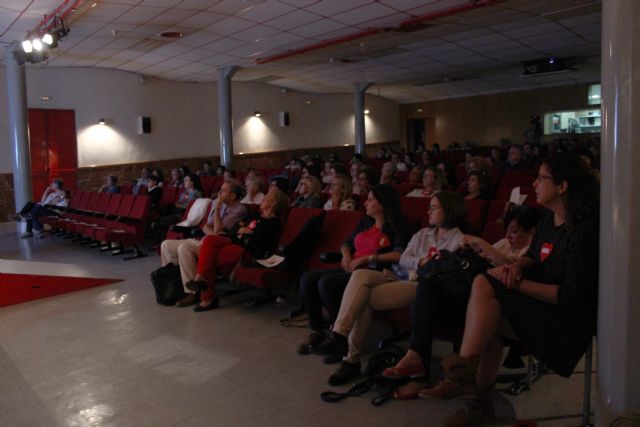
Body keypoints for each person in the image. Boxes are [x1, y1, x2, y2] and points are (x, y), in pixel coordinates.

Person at [419, 154, 599, 426]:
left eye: (542, 178)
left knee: (484, 285)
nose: (535, 183)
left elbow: (567, 296)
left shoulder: (583, 231)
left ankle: (465, 380)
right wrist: (517, 267)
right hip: (537, 302)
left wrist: (516, 283)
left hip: (564, 322)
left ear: (562, 186)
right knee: (486, 313)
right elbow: (535, 258)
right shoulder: (549, 220)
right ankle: (477, 399)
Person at [384, 204, 539, 397]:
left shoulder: (532, 251)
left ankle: (423, 373)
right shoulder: (503, 244)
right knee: (426, 288)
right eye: (507, 230)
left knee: (426, 303)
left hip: (492, 302)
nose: (508, 236)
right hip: (469, 293)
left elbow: (512, 271)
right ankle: (416, 358)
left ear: (531, 232)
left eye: (514, 232)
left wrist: (483, 245)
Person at [312, 192, 467, 385]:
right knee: (360, 276)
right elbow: (403, 258)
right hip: (396, 275)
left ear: (449, 210)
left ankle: (350, 358)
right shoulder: (422, 234)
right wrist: (420, 261)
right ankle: (340, 335)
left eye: (434, 208)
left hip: (420, 285)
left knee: (363, 298)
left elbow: (441, 269)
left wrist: (417, 264)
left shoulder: (459, 240)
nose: (428, 211)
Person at [297, 184, 406, 355]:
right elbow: (346, 243)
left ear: (383, 204)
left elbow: (399, 254)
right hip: (352, 266)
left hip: (373, 272)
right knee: (308, 279)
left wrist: (368, 258)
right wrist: (346, 254)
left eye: (370, 200)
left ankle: (338, 336)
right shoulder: (365, 222)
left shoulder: (396, 225)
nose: (365, 203)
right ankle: (318, 330)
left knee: (327, 283)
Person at [185, 190, 289, 312]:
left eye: (266, 198)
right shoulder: (255, 215)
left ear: (273, 204)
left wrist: (244, 232)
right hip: (235, 240)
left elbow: (258, 242)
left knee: (209, 257)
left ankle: (207, 296)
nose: (263, 199)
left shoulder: (273, 223)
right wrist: (244, 231)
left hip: (248, 250)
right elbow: (237, 228)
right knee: (210, 240)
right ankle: (200, 281)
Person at [160, 181, 248, 307]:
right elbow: (206, 226)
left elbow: (218, 230)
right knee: (166, 245)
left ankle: (193, 292)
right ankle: (175, 285)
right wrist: (213, 232)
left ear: (233, 196)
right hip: (207, 239)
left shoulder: (239, 209)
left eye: (223, 191)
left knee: (184, 248)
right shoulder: (222, 205)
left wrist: (217, 208)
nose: (219, 193)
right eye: (220, 189)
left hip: (218, 244)